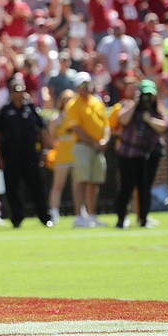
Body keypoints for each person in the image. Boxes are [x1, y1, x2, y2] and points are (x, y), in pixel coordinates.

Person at [0, 77, 53, 228]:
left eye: (21, 91)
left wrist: (44, 150)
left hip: (30, 154)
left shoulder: (32, 109)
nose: (18, 94)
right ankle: (16, 218)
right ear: (11, 93)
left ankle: (44, 216)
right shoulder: (4, 112)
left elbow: (43, 130)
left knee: (37, 186)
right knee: (12, 188)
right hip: (11, 154)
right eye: (15, 91)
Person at [113, 80, 168, 229]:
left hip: (148, 155)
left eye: (150, 95)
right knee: (126, 187)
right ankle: (121, 218)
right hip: (129, 154)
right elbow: (122, 119)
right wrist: (135, 103)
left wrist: (148, 119)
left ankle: (143, 218)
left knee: (145, 187)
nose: (147, 98)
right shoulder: (129, 105)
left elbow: (164, 126)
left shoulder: (156, 109)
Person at [67, 72, 110, 228]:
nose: (86, 87)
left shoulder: (97, 102)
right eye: (83, 85)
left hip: (98, 147)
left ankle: (91, 215)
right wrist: (94, 142)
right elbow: (77, 128)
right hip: (83, 146)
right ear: (77, 87)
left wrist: (104, 139)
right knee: (81, 181)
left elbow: (105, 124)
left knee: (94, 182)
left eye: (88, 84)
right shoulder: (73, 104)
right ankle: (79, 216)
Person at [47, 89, 76, 225]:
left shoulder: (75, 116)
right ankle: (54, 213)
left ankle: (80, 212)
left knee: (78, 185)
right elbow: (51, 138)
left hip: (75, 153)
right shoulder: (57, 118)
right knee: (58, 185)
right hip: (63, 154)